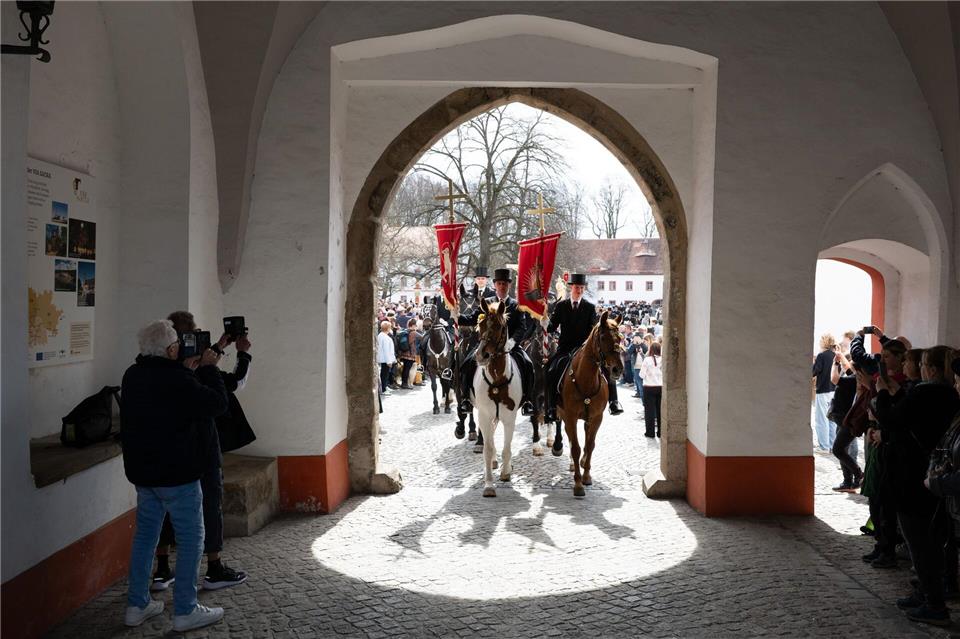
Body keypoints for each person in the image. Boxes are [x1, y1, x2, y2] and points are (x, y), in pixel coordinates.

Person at [120, 319, 227, 632]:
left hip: (144, 474)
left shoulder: (133, 375)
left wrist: (188, 372)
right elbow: (217, 404)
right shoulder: (177, 379)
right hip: (178, 476)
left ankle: (137, 605)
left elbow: (165, 402)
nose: (179, 349)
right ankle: (185, 609)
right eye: (176, 346)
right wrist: (208, 368)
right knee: (192, 538)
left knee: (145, 537)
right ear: (170, 349)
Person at [150, 311, 249, 593]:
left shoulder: (158, 372)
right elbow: (232, 386)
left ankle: (162, 569)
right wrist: (242, 355)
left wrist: (219, 346)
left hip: (165, 452)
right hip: (201, 451)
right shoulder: (198, 374)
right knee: (209, 505)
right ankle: (214, 568)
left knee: (164, 509)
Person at [875, 345, 960, 626]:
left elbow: (891, 420)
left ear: (931, 369)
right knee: (928, 540)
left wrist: (882, 393)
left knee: (920, 542)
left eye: (922, 363)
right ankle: (925, 593)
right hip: (927, 474)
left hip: (913, 475)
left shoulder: (925, 393)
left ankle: (933, 602)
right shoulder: (947, 394)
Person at [544, 273, 624, 422]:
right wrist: (545, 323)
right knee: (551, 368)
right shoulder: (561, 306)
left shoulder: (589, 307)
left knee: (606, 368)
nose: (579, 290)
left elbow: (593, 329)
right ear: (571, 288)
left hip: (585, 348)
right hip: (565, 348)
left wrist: (588, 346)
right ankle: (551, 407)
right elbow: (552, 327)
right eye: (576, 287)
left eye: (581, 288)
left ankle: (613, 401)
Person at [458, 268, 535, 416]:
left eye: (505, 283)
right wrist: (457, 316)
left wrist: (513, 341)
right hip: (487, 344)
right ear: (495, 285)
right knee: (467, 364)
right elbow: (472, 319)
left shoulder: (516, 305)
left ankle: (527, 401)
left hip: (510, 346)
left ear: (509, 286)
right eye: (499, 283)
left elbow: (521, 327)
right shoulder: (486, 303)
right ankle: (466, 399)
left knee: (528, 364)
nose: (502, 286)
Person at [812, 333, 839, 451]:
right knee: (831, 419)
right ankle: (832, 444)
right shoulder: (836, 355)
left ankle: (824, 446)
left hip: (822, 390)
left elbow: (814, 371)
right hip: (833, 390)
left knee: (821, 419)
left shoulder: (821, 356)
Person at [640, 342, 663, 437]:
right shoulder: (663, 359)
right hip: (660, 387)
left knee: (649, 411)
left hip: (649, 388)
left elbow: (641, 375)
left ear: (651, 350)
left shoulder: (647, 360)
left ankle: (650, 432)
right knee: (660, 410)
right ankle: (660, 432)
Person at [398, 318, 419, 389]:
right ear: (413, 325)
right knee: (407, 369)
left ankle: (404, 383)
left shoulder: (406, 330)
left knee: (405, 369)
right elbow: (422, 338)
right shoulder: (413, 332)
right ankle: (405, 384)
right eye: (415, 325)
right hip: (410, 353)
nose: (416, 326)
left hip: (404, 353)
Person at [377, 320, 396, 393]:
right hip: (385, 359)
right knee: (384, 374)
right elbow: (386, 350)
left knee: (384, 374)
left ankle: (384, 387)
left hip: (383, 358)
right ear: (388, 328)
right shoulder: (385, 337)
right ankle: (384, 389)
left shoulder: (381, 335)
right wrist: (389, 361)